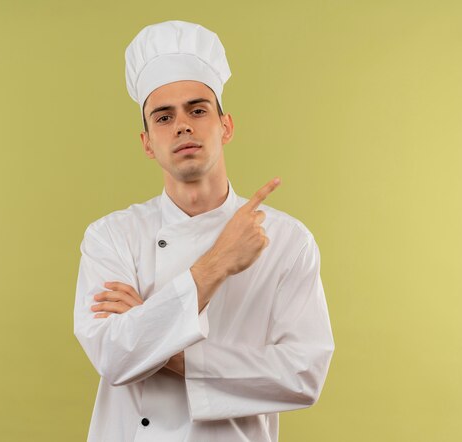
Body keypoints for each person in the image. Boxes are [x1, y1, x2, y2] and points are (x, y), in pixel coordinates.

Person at [73, 20, 334, 442]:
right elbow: (114, 357)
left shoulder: (287, 241)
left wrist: (164, 348)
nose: (182, 125)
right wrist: (216, 264)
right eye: (163, 116)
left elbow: (303, 375)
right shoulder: (111, 236)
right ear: (146, 142)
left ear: (225, 126)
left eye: (197, 110)